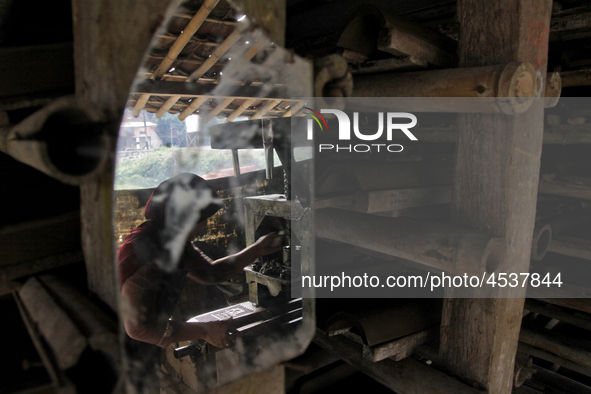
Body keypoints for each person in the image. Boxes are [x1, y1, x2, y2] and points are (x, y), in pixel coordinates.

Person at [118, 173, 284, 350]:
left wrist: (257, 249)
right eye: (201, 220)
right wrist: (205, 331)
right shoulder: (146, 254)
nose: (204, 226)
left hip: (148, 336)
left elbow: (211, 273)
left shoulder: (174, 241)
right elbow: (139, 329)